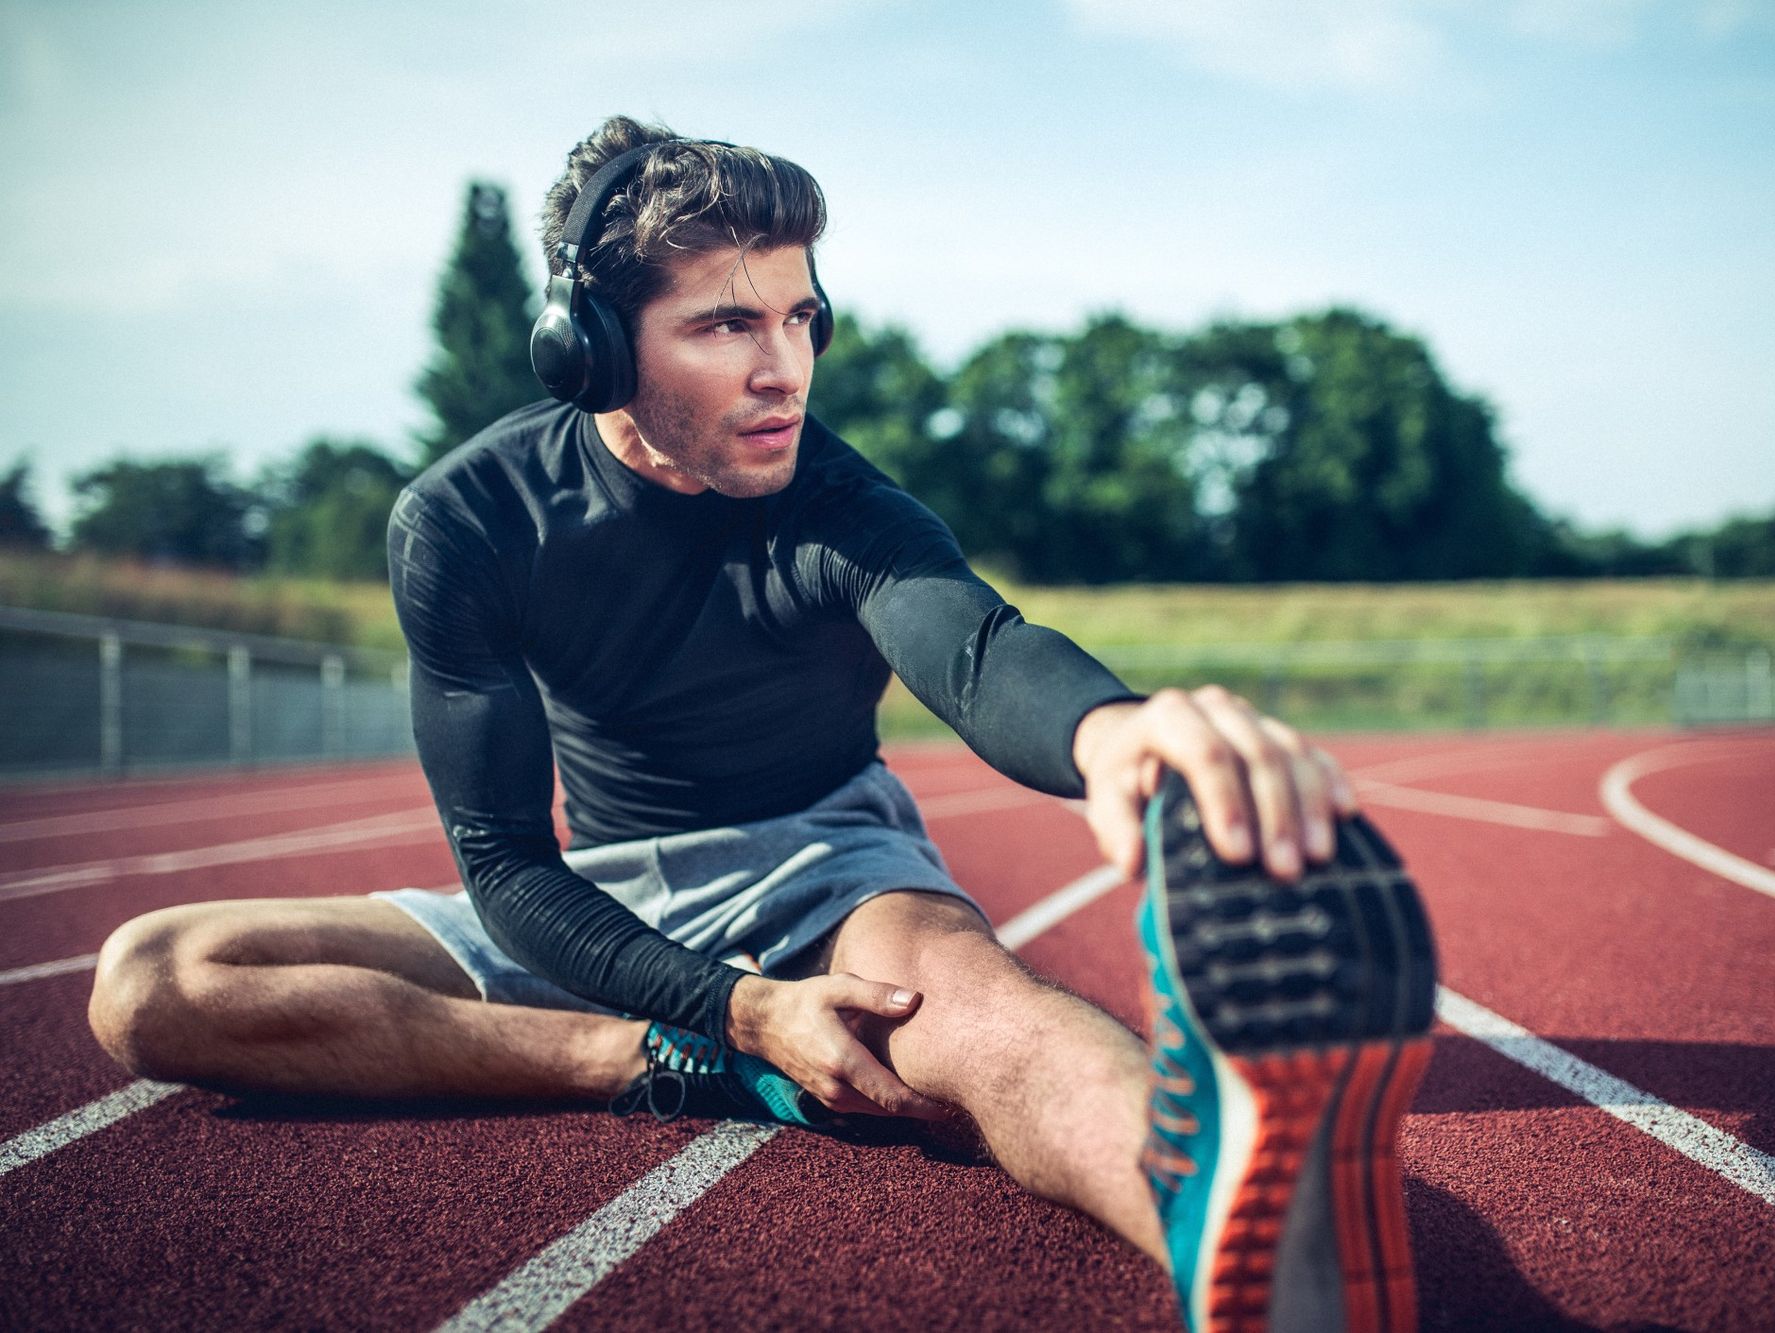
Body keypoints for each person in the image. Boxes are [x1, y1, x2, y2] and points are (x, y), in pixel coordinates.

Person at [86, 117, 1434, 1333]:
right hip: (596, 901)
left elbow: (974, 651)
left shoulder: (840, 502)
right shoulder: (466, 519)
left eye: (803, 317)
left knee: (999, 1031)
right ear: (599, 346)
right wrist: (730, 1013)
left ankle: (1231, 1225)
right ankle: (668, 1061)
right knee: (152, 979)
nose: (784, 365)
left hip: (831, 871)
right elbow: (504, 867)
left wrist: (1114, 735)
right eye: (728, 325)